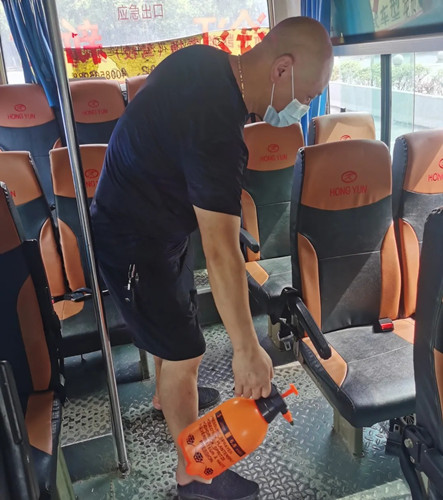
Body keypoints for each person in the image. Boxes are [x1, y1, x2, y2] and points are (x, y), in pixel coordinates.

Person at [90, 16, 333, 500]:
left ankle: (167, 396)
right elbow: (221, 252)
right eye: (307, 95)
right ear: (281, 69)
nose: (302, 110)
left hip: (158, 225)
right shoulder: (218, 129)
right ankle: (194, 477)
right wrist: (246, 349)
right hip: (135, 240)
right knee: (187, 352)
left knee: (176, 333)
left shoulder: (205, 62)